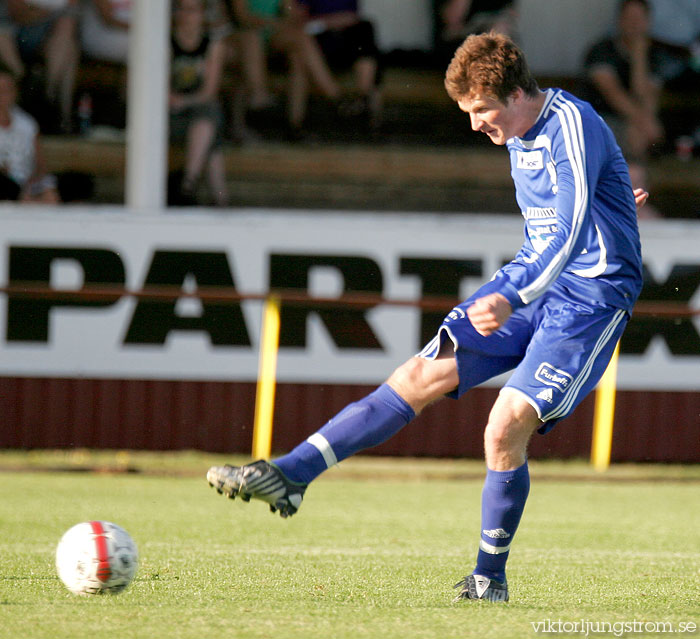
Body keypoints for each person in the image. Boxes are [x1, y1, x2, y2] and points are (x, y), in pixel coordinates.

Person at [207, 31, 649, 603]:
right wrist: (600, 208)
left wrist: (513, 295)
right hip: (532, 283)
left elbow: (565, 235)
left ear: (516, 94)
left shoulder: (570, 123)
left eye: (482, 111)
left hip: (589, 298)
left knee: (504, 426)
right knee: (418, 376)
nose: (475, 125)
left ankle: (489, 578)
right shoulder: (518, 132)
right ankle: (291, 474)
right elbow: (566, 216)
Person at [583, 0, 665, 218]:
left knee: (637, 131)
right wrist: (646, 123)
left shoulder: (652, 57)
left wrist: (639, 58)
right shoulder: (601, 50)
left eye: (640, 19)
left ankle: (635, 199)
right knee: (637, 130)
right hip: (598, 124)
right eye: (630, 19)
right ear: (619, 21)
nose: (634, 25)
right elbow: (614, 96)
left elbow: (648, 102)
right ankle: (622, 199)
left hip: (633, 129)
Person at [230, 0, 342, 138]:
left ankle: (295, 125)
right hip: (246, 35)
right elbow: (242, 17)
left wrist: (292, 16)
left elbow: (290, 13)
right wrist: (274, 23)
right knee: (252, 38)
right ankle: (335, 96)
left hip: (271, 35)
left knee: (298, 54)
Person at [169, 0, 229, 207]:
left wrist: (183, 101)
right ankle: (219, 199)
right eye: (182, 9)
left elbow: (209, 92)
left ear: (203, 14)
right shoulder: (165, 41)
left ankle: (188, 185)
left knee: (208, 115)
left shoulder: (213, 44)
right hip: (169, 116)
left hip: (195, 109)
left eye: (193, 10)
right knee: (210, 132)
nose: (187, 15)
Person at [297, 0, 383, 129]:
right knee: (368, 47)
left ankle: (362, 99)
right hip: (320, 44)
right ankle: (352, 102)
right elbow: (301, 22)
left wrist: (331, 22)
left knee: (366, 31)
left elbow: (352, 17)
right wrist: (328, 22)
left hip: (345, 41)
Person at [8, 0, 79, 133]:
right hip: (15, 36)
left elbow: (71, 9)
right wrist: (49, 11)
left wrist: (38, 10)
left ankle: (54, 103)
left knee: (68, 42)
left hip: (46, 39)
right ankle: (22, 84)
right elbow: (16, 13)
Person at [434, 0, 518, 68]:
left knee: (500, 31)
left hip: (494, 47)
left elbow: (510, 16)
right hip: (458, 49)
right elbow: (452, 22)